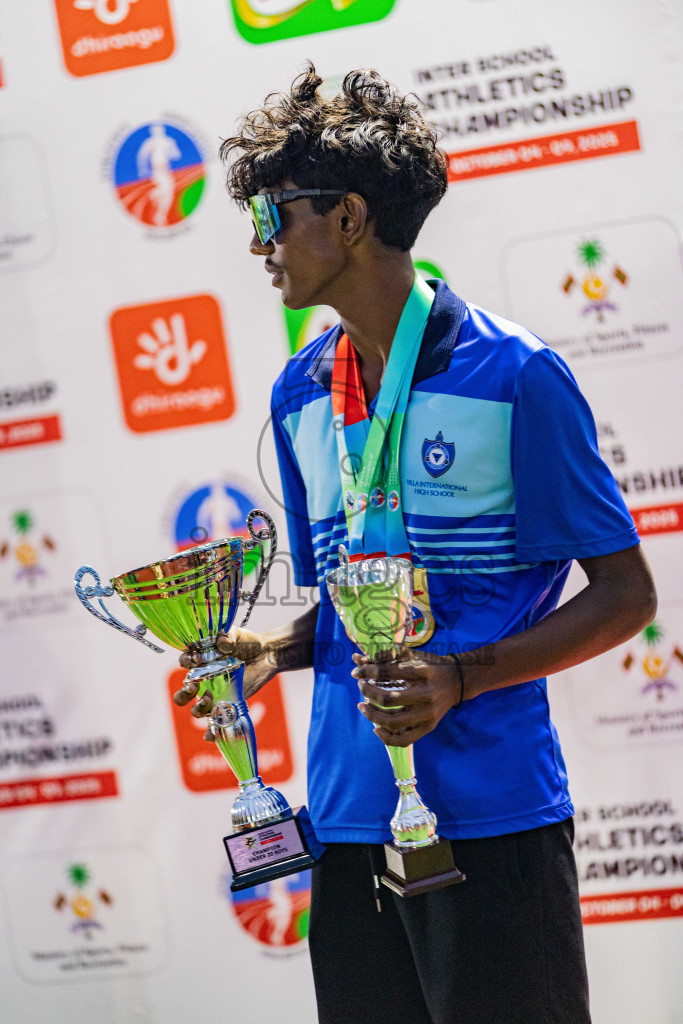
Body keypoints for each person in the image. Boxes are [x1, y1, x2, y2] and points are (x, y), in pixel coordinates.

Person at [175, 65, 657, 1024]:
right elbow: (358, 603)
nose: (261, 245)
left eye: (275, 216)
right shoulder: (300, 389)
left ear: (347, 218)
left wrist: (461, 679)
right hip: (347, 821)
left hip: (492, 819)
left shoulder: (514, 373)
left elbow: (625, 597)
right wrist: (270, 650)